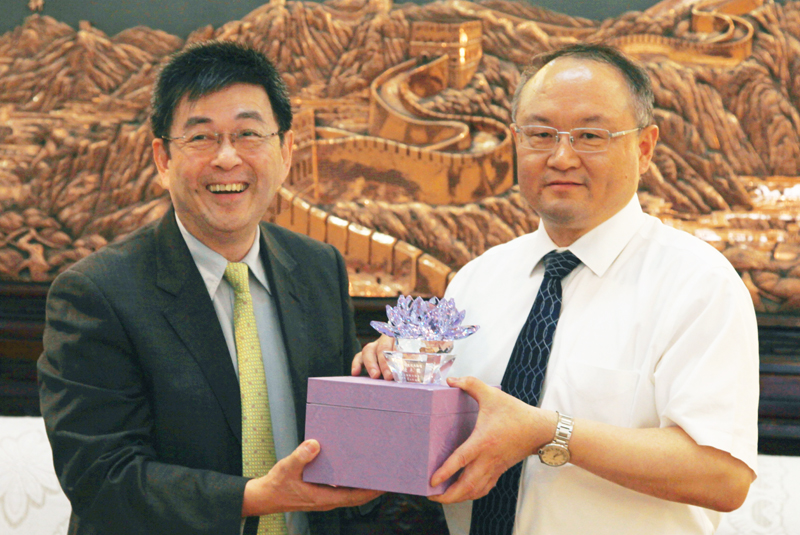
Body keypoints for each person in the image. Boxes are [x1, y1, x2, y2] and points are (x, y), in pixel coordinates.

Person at [352, 43, 759, 535]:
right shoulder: (476, 280)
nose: (562, 157)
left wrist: (549, 432)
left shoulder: (698, 284)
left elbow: (722, 476)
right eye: (541, 134)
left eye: (590, 135)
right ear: (516, 141)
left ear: (645, 148)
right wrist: (397, 373)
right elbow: (442, 431)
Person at [38, 41, 381, 535]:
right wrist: (256, 498)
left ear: (286, 151)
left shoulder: (318, 268)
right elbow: (102, 479)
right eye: (201, 137)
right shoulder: (96, 294)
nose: (226, 158)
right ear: (162, 158)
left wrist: (386, 379)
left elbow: (343, 433)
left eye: (248, 134)